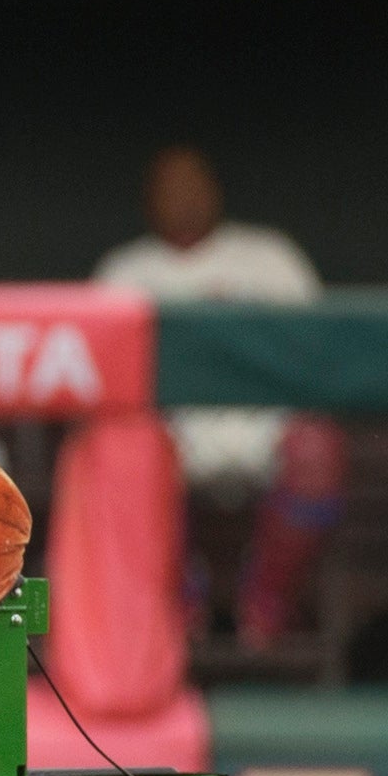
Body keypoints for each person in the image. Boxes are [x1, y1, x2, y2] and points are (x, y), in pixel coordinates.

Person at [94, 145, 343, 646]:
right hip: (172, 434)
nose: (184, 198)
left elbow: (320, 354)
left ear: (216, 191)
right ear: (149, 201)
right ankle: (179, 608)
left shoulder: (268, 257)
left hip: (265, 426)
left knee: (317, 448)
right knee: (123, 454)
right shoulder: (125, 272)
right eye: (170, 188)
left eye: (195, 184)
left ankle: (265, 606)